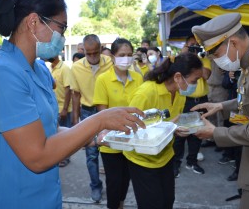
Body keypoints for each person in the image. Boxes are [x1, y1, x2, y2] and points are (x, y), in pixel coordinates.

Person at [0, 0, 145, 209]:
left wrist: (96, 135)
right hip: (14, 198)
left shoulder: (40, 70)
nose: (62, 37)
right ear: (33, 22)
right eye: (61, 27)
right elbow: (38, 156)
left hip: (46, 197)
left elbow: (50, 130)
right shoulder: (0, 72)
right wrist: (99, 119)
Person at [191, 12, 249, 209]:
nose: (217, 61)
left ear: (233, 43)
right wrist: (221, 106)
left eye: (216, 55)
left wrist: (214, 133)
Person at [125, 52, 203, 209]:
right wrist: (168, 126)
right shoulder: (146, 93)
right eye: (195, 80)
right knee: (152, 204)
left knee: (167, 201)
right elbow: (129, 128)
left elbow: (172, 123)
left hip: (166, 156)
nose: (195, 85)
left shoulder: (179, 94)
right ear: (178, 77)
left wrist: (176, 128)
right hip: (143, 160)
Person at [93, 38, 143, 209]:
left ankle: (120, 205)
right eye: (122, 55)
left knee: (126, 179)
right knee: (114, 182)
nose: (126, 59)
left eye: (129, 55)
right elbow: (102, 114)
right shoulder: (103, 80)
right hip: (111, 141)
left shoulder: (138, 78)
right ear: (113, 56)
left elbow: (141, 108)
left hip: (132, 139)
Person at [71, 34, 113, 203]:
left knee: (111, 150)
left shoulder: (110, 63)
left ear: (101, 48)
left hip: (108, 110)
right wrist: (75, 119)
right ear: (83, 51)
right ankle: (95, 186)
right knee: (91, 155)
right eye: (89, 53)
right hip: (88, 112)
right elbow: (75, 94)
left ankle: (114, 186)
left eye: (96, 52)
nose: (93, 57)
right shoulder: (76, 68)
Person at [173, 35, 211, 177]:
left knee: (197, 133)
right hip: (184, 100)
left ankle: (192, 161)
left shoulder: (204, 59)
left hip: (200, 101)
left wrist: (197, 58)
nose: (194, 47)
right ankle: (176, 163)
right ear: (186, 46)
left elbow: (206, 75)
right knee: (180, 134)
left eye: (196, 45)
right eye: (191, 45)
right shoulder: (181, 60)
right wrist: (185, 54)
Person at [48, 55, 73, 167]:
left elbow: (68, 90)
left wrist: (64, 109)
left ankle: (65, 158)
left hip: (64, 108)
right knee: (57, 135)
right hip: (54, 108)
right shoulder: (49, 68)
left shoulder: (65, 68)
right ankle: (60, 157)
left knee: (66, 136)